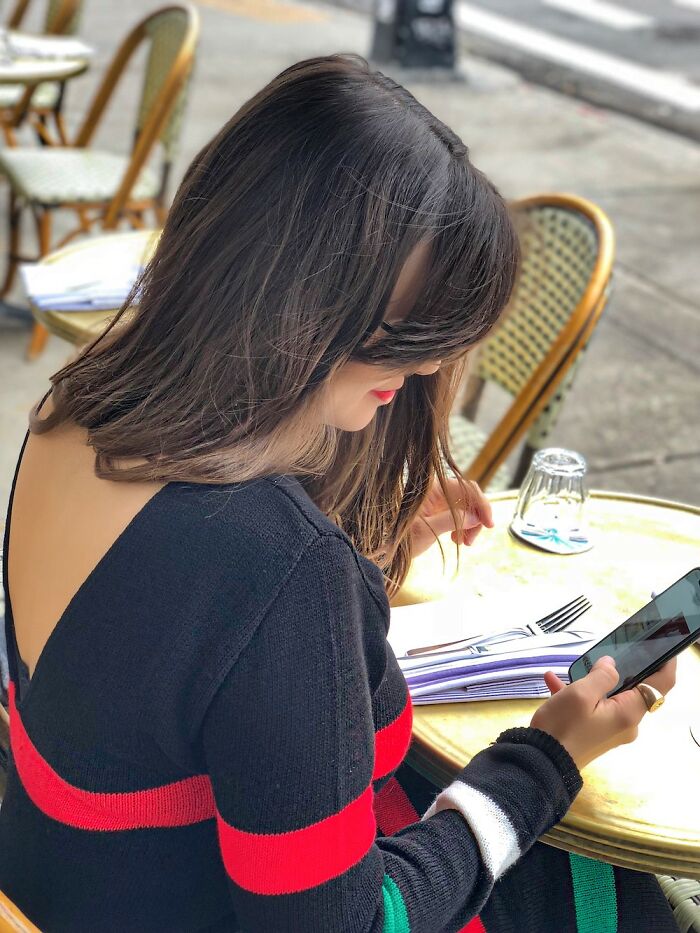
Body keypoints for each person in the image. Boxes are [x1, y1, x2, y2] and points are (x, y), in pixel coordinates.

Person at [0, 55, 677, 932]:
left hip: (64, 881)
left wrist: (360, 563)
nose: (431, 365)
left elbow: (165, 655)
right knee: (621, 887)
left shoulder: (75, 407)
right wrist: (549, 755)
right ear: (294, 293)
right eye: (411, 332)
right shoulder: (277, 563)